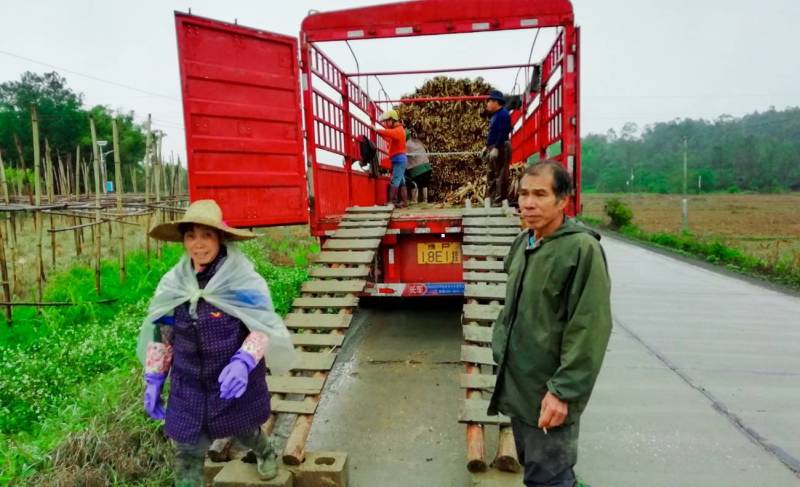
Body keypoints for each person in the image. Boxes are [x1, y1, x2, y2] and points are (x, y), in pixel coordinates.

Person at [138, 199, 296, 487]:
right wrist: (154, 379)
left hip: (231, 380)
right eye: (191, 235)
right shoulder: (174, 283)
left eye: (206, 235)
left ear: (220, 238)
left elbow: (263, 327)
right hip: (189, 386)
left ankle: (265, 451)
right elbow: (163, 333)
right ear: (184, 241)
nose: (198, 244)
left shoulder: (241, 281)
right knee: (187, 451)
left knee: (246, 430)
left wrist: (243, 361)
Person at [488, 161, 612, 487]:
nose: (528, 203)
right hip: (520, 385)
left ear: (563, 200)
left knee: (550, 478)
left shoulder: (581, 250)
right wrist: (500, 347)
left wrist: (563, 392)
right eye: (524, 194)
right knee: (535, 469)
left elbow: (589, 327)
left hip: (549, 392)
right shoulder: (525, 242)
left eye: (540, 194)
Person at [483, 89, 512, 206]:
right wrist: (486, 147)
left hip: (501, 147)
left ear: (496, 102)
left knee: (500, 175)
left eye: (489, 101)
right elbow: (492, 133)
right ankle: (490, 200)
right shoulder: (495, 116)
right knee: (491, 174)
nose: (487, 104)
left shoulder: (503, 114)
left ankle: (499, 202)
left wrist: (497, 147)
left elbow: (503, 132)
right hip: (493, 147)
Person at [375, 109, 408, 208]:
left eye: (387, 121)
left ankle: (392, 201)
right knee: (401, 181)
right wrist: (381, 133)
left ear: (392, 120)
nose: (386, 123)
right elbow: (389, 137)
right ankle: (404, 202)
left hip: (399, 160)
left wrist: (377, 130)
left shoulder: (398, 130)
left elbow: (390, 133)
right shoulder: (398, 130)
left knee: (395, 181)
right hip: (399, 160)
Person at [405, 129, 433, 204]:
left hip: (418, 169)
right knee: (424, 184)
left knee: (414, 183)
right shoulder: (417, 141)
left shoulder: (406, 145)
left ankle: (414, 201)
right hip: (427, 166)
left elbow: (404, 158)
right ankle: (425, 200)